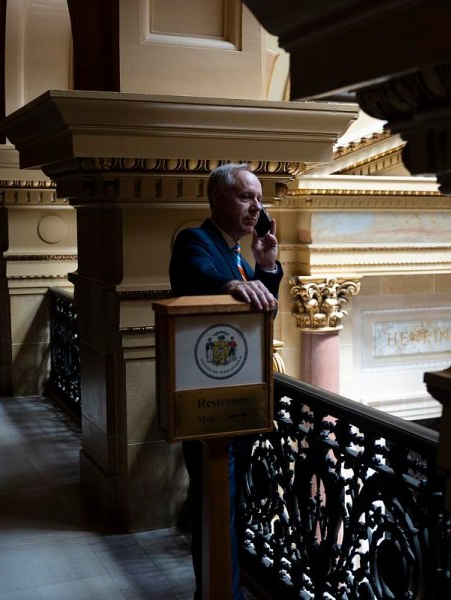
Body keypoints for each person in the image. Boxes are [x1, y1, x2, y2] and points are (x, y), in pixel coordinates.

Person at [169, 163, 282, 600]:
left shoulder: (238, 253)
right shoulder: (195, 241)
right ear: (218, 200)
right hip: (207, 401)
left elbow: (263, 308)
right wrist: (233, 283)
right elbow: (195, 275)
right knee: (214, 510)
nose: (257, 207)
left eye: (259, 199)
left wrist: (265, 267)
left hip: (238, 399)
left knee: (230, 512)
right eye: (246, 197)